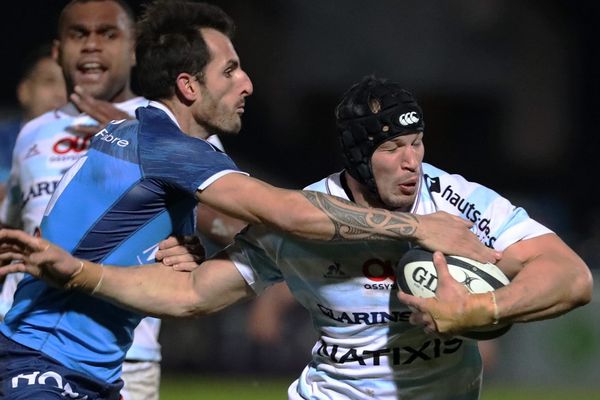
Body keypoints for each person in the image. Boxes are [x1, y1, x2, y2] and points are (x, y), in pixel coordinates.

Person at [0, 1, 497, 399]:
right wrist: (415, 227)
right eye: (231, 70)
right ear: (188, 86)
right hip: (46, 362)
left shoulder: (143, 138)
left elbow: (192, 235)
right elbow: (286, 213)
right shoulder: (167, 148)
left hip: (85, 368)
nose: (248, 84)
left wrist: (190, 244)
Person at [0, 1, 181, 399]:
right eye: (78, 35)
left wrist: (136, 136)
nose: (91, 46)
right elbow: (13, 220)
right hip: (25, 342)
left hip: (125, 354)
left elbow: (228, 218)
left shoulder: (170, 127)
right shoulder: (33, 133)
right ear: (57, 51)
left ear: (134, 49)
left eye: (108, 34)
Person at [0, 44, 66, 200]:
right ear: (24, 91)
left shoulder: (91, 144)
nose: (61, 94)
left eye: (67, 84)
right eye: (49, 81)